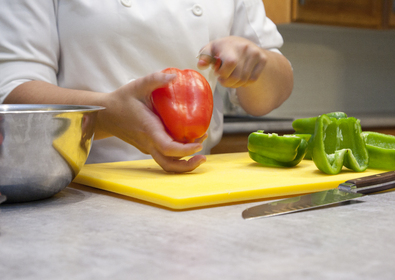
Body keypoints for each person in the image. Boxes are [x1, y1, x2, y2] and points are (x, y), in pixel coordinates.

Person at [0, 1, 293, 173]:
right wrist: (106, 115)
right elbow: (13, 91)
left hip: (195, 184)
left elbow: (273, 92)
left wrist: (256, 63)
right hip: (78, 187)